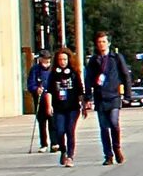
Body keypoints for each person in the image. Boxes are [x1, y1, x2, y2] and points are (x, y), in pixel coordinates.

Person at [83, 32, 132, 165]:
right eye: (99, 42)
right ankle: (108, 155)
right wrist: (87, 97)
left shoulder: (116, 58)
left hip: (114, 96)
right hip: (100, 96)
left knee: (114, 123)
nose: (101, 44)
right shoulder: (94, 60)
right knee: (104, 127)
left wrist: (128, 95)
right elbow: (88, 79)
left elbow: (125, 75)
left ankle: (116, 148)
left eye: (104, 41)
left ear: (108, 43)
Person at [47, 47, 83, 167]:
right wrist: (49, 106)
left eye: (65, 59)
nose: (63, 62)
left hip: (72, 108)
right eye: (60, 59)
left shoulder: (73, 73)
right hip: (58, 107)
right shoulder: (53, 74)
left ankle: (70, 156)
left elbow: (80, 91)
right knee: (60, 131)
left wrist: (84, 105)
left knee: (70, 130)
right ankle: (63, 150)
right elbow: (49, 91)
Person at [26, 51, 53, 152]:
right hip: (39, 99)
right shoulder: (35, 69)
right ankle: (44, 144)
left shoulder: (52, 69)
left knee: (52, 122)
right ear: (40, 59)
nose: (47, 63)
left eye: (48, 61)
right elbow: (30, 84)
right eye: (45, 61)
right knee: (42, 122)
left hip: (51, 99)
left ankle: (54, 143)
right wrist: (36, 89)